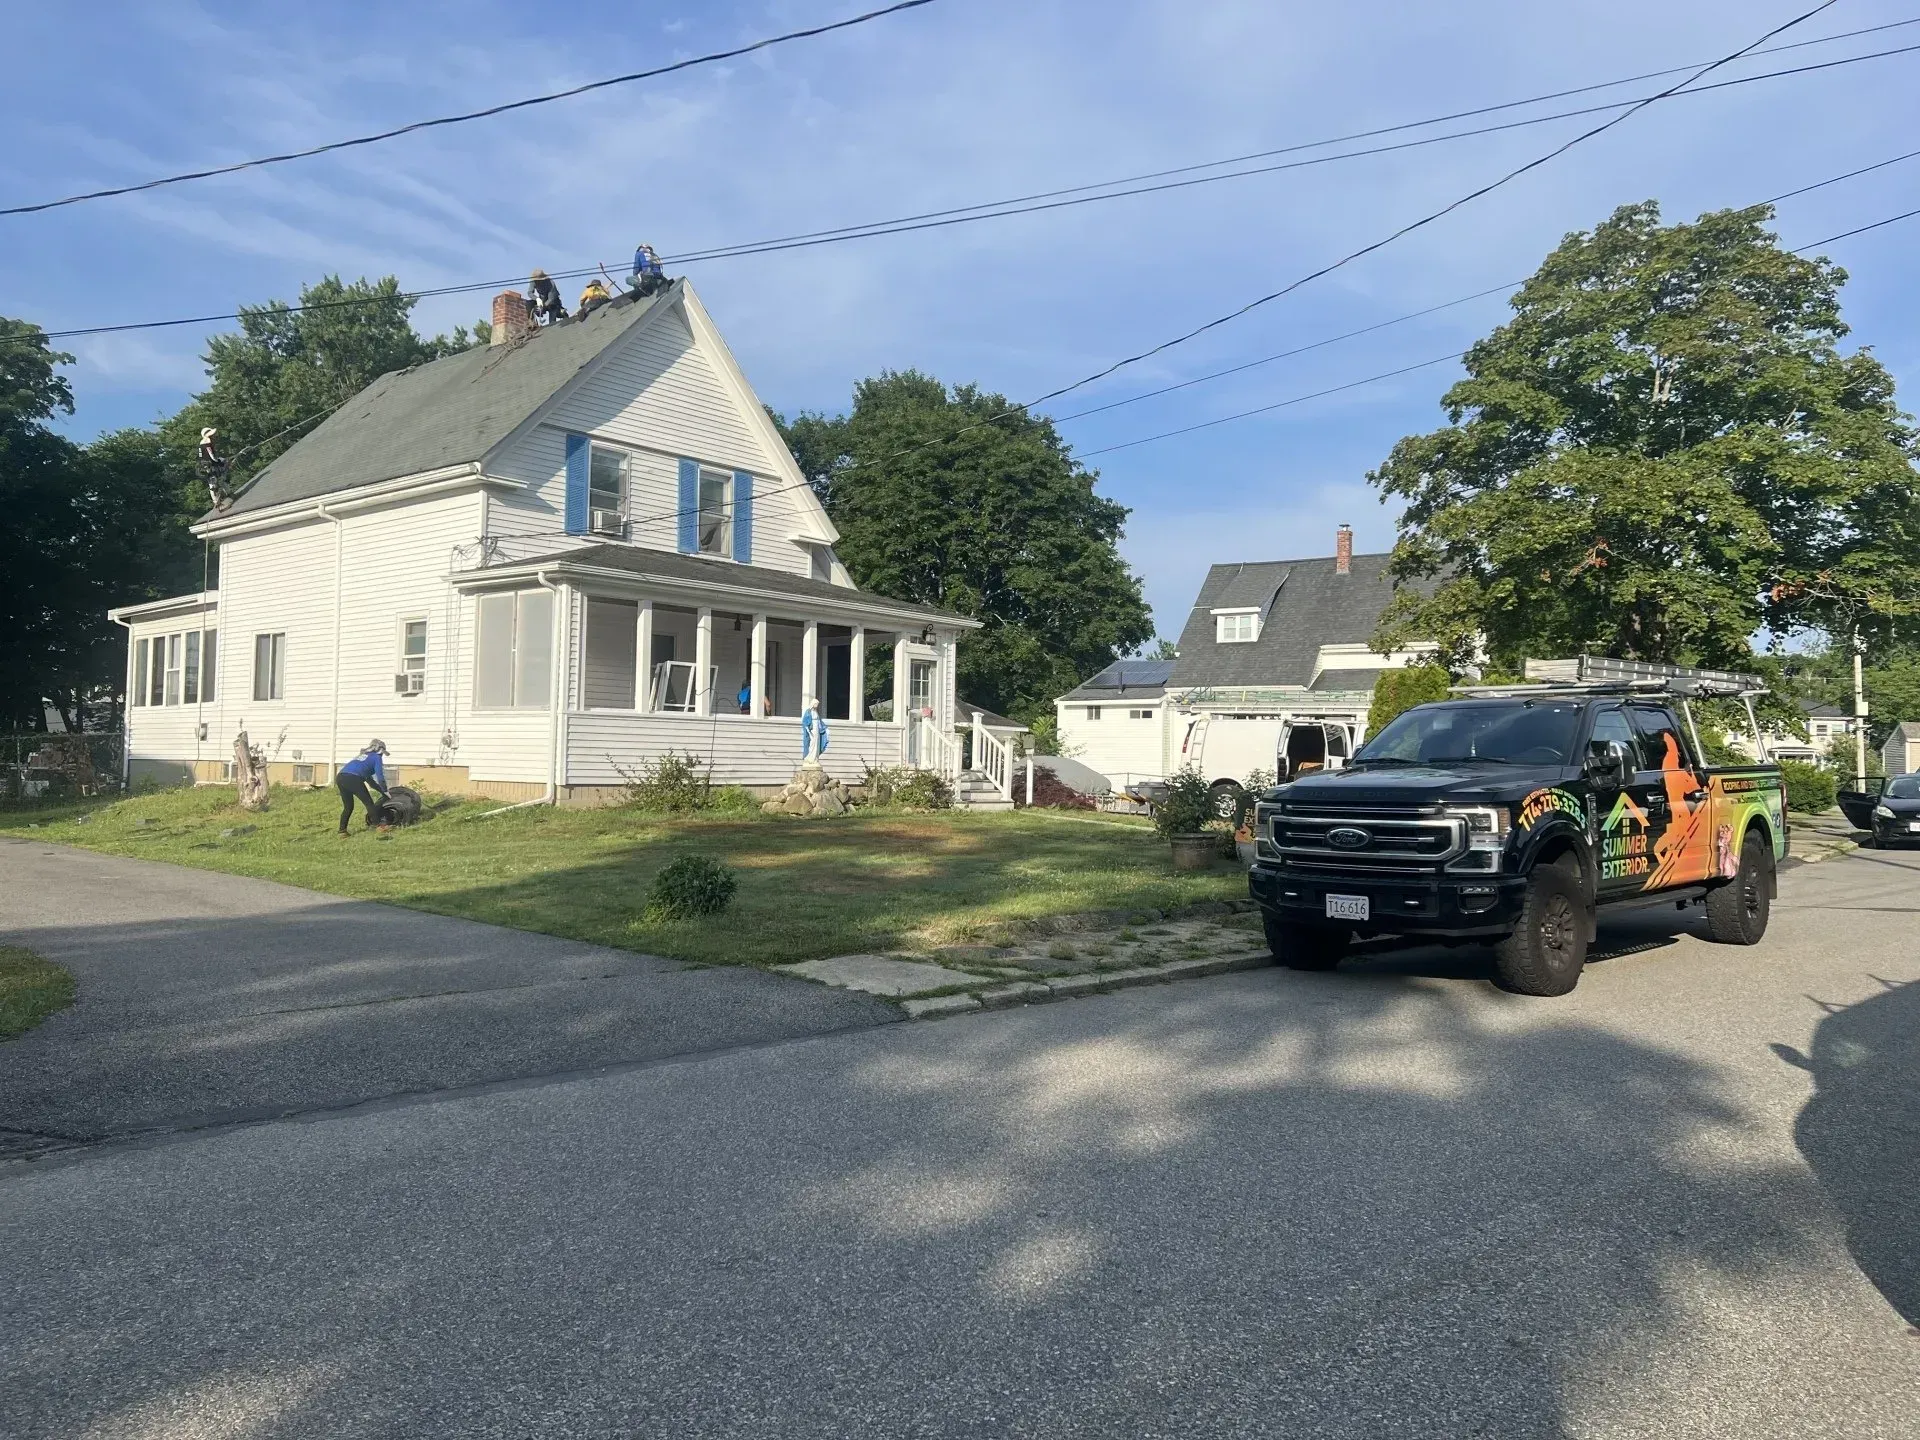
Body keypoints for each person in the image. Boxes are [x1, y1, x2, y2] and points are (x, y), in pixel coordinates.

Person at [335, 739, 390, 835]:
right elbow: (380, 777)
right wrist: (385, 791)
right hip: (353, 778)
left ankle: (342, 831)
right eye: (382, 753)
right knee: (369, 803)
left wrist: (382, 792)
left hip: (341, 777)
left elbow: (371, 782)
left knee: (348, 807)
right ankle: (379, 827)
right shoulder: (376, 757)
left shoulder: (363, 757)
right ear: (380, 750)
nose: (382, 755)